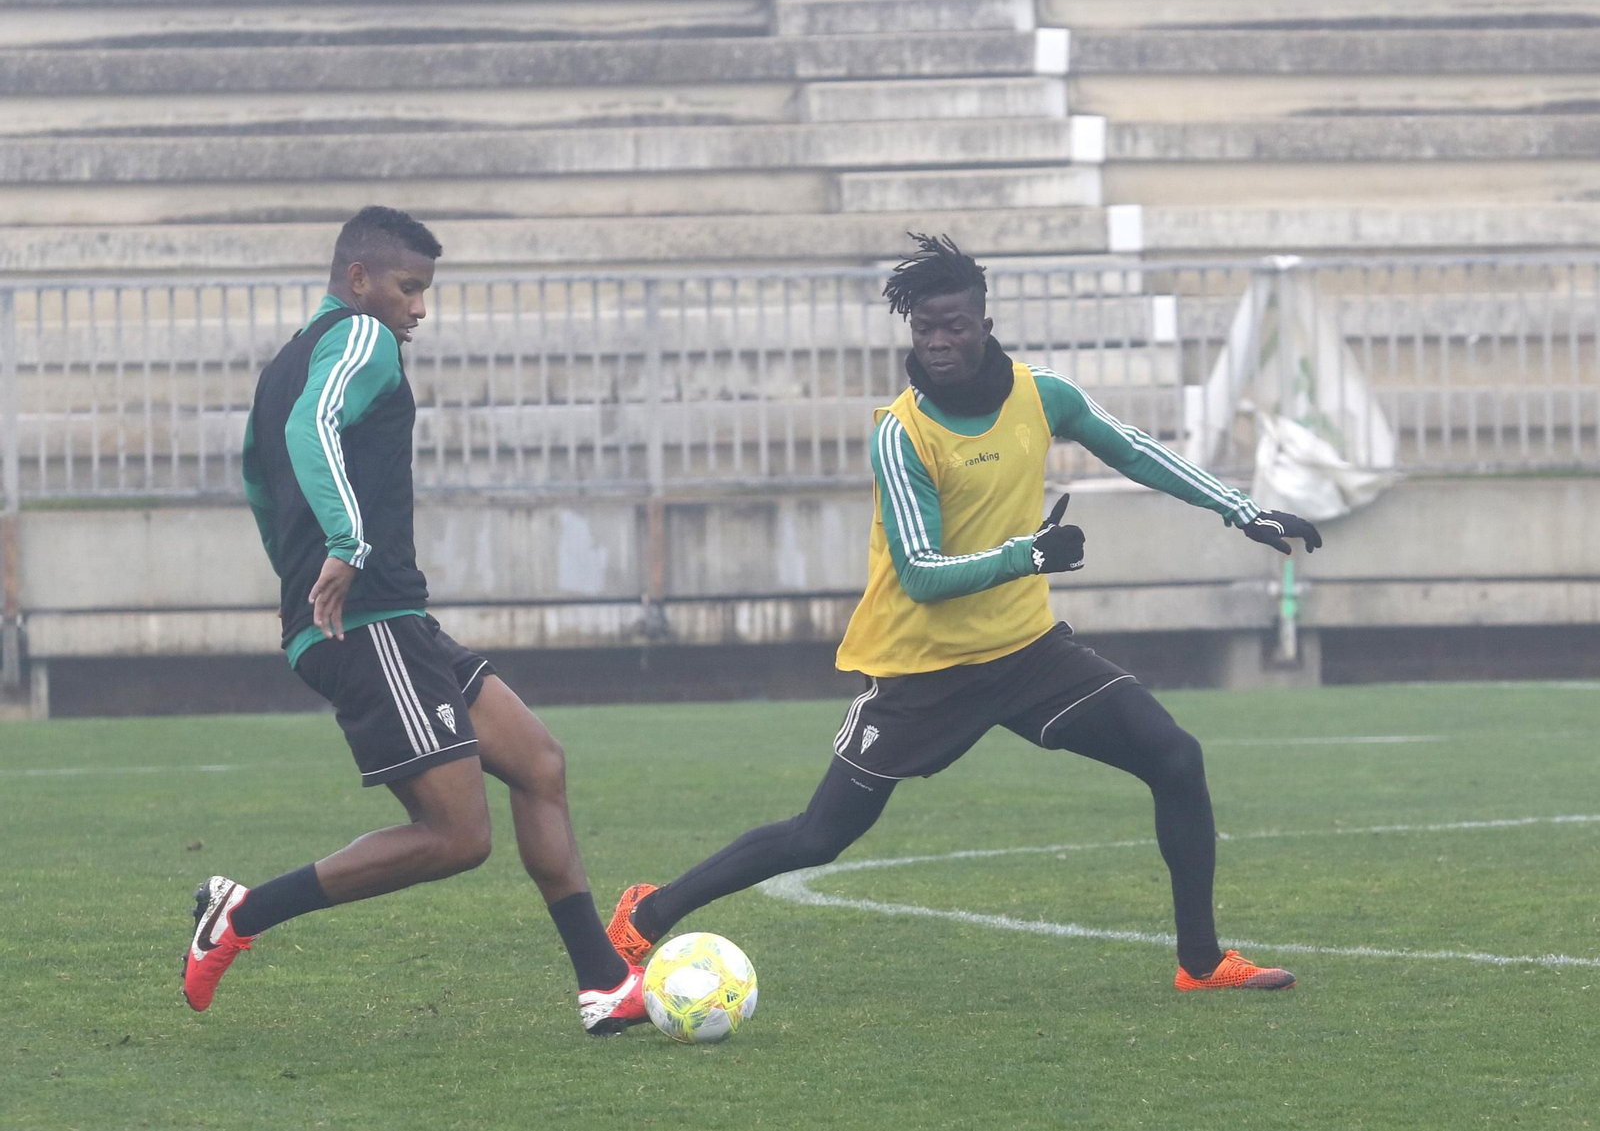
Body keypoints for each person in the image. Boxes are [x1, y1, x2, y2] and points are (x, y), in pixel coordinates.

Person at [607, 233, 1322, 992]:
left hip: (1028, 653)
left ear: (984, 321)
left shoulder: (1042, 395)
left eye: (953, 325)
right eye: (924, 329)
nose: (939, 342)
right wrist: (1028, 555)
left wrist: (1243, 511)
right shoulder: (902, 432)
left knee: (1175, 757)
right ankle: (646, 914)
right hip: (924, 670)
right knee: (819, 836)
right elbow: (919, 572)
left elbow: (1138, 449)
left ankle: (1201, 962)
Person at [184, 206, 647, 1035]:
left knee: (539, 762)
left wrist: (301, 586)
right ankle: (241, 913)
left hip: (384, 618)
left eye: (425, 290)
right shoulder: (362, 338)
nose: (419, 308)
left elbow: (256, 482)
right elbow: (309, 428)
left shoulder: (280, 364)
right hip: (370, 622)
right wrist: (345, 546)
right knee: (457, 835)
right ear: (359, 280)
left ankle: (605, 983)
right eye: (410, 287)